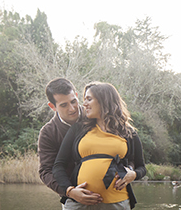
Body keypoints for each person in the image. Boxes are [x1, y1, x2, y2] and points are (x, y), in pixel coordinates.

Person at [53, 82, 147, 210]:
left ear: (104, 100)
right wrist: (70, 191)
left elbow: (141, 167)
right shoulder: (78, 129)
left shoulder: (129, 133)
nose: (84, 104)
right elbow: (58, 165)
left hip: (117, 203)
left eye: (89, 99)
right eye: (84, 99)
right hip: (79, 204)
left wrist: (134, 174)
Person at [38, 78, 100, 206]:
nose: (72, 109)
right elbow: (46, 171)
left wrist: (130, 170)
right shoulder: (48, 133)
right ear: (52, 106)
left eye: (73, 101)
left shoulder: (97, 117)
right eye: (64, 105)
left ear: (77, 96)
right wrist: (69, 191)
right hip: (73, 199)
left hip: (107, 196)